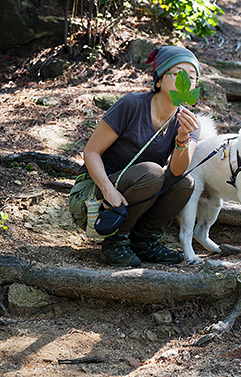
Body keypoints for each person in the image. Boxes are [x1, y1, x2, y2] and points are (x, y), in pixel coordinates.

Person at [83, 45, 202, 266]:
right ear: (158, 81)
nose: (186, 80)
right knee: (152, 172)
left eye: (192, 77)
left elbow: (177, 171)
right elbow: (91, 151)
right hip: (97, 195)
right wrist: (108, 190)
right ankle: (115, 242)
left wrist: (183, 137)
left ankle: (145, 241)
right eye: (178, 74)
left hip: (141, 189)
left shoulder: (189, 123)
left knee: (185, 182)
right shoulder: (131, 105)